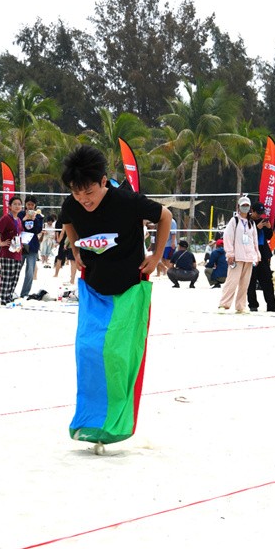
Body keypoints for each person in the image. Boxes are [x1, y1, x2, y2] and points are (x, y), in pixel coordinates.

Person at [59, 145, 172, 452]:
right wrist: (75, 248)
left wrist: (156, 256)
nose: (84, 199)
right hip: (94, 288)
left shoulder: (127, 201)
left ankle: (116, 425)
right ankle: (90, 422)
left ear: (103, 181)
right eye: (77, 193)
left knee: (118, 356)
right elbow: (67, 220)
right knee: (87, 351)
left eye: (89, 192)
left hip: (129, 289)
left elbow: (165, 216)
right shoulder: (72, 204)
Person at [219, 196, 261, 313]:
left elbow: (254, 240)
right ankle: (224, 304)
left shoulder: (251, 222)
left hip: (249, 257)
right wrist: (230, 254)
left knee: (244, 283)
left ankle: (241, 306)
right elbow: (228, 237)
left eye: (247, 205)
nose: (245, 208)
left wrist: (257, 255)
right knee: (232, 281)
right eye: (243, 205)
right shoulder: (234, 221)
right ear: (238, 207)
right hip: (237, 257)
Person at [246, 202, 275, 312]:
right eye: (257, 213)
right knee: (251, 281)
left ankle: (272, 305)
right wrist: (257, 228)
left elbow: (269, 237)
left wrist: (268, 228)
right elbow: (246, 237)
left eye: (261, 213)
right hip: (251, 254)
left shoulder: (262, 221)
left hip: (263, 253)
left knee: (267, 280)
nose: (259, 215)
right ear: (252, 210)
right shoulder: (247, 221)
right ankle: (253, 305)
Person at [0, 196, 25, 306]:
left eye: (19, 204)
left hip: (17, 252)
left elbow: (20, 234)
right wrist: (0, 242)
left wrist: (21, 244)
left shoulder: (19, 220)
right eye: (14, 204)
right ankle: (4, 299)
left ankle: (9, 297)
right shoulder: (6, 218)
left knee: (15, 277)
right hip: (7, 253)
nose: (17, 206)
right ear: (10, 206)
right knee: (7, 276)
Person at [18, 197, 44, 298]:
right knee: (16, 269)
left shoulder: (39, 216)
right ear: (25, 204)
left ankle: (24, 293)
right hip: (21, 245)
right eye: (28, 204)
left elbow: (38, 230)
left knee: (30, 271)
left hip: (32, 245)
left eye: (32, 205)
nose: (30, 207)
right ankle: (10, 290)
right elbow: (17, 227)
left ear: (35, 205)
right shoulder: (20, 214)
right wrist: (24, 219)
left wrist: (35, 219)